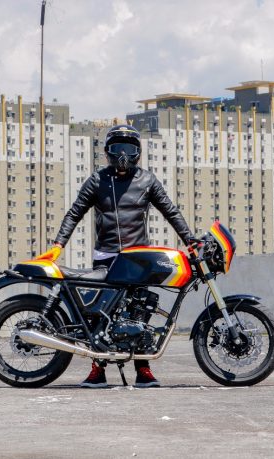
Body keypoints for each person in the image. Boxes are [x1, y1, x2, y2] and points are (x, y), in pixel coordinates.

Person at [53, 124, 194, 388]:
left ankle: (143, 369)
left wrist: (190, 241)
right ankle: (97, 370)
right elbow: (74, 213)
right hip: (106, 256)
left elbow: (171, 211)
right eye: (117, 148)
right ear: (108, 151)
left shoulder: (148, 180)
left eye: (128, 149)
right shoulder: (97, 180)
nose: (122, 155)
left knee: (139, 312)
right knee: (99, 315)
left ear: (137, 152)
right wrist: (58, 244)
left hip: (137, 258)